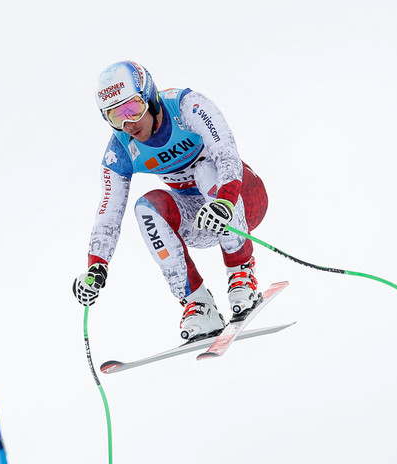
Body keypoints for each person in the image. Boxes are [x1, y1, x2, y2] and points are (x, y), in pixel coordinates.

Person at [73, 60, 268, 341]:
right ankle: (197, 304)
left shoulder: (187, 106)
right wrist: (96, 266)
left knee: (205, 168)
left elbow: (227, 154)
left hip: (243, 202)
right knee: (146, 208)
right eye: (115, 117)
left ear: (149, 97)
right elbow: (108, 214)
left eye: (132, 109)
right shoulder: (121, 150)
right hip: (201, 221)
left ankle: (241, 274)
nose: (127, 123)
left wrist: (223, 202)